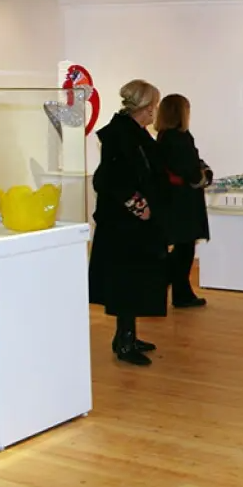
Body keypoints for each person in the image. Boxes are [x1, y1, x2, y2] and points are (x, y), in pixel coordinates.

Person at [88, 79, 169, 366]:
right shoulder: (121, 135)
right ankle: (124, 341)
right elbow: (109, 179)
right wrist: (138, 205)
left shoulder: (133, 133)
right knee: (126, 282)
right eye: (154, 105)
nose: (155, 111)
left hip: (133, 225)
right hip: (124, 226)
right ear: (146, 108)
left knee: (134, 281)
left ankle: (128, 335)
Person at [155, 94, 212, 308]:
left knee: (183, 247)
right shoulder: (179, 138)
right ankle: (174, 290)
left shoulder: (164, 136)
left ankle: (179, 291)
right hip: (184, 201)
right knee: (184, 249)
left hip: (174, 198)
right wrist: (204, 175)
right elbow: (191, 170)